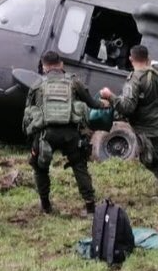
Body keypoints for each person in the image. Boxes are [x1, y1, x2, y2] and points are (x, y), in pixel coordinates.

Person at [23, 51, 109, 215]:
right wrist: (105, 104)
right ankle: (90, 206)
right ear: (61, 64)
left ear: (43, 66)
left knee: (40, 168)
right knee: (79, 166)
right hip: (71, 134)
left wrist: (31, 138)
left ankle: (46, 205)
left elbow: (28, 112)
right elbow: (91, 103)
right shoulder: (74, 82)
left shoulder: (37, 84)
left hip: (45, 135)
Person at [99, 45, 158, 198]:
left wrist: (109, 96)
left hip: (148, 126)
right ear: (148, 57)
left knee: (152, 159)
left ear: (131, 59)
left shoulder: (135, 78)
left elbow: (127, 107)